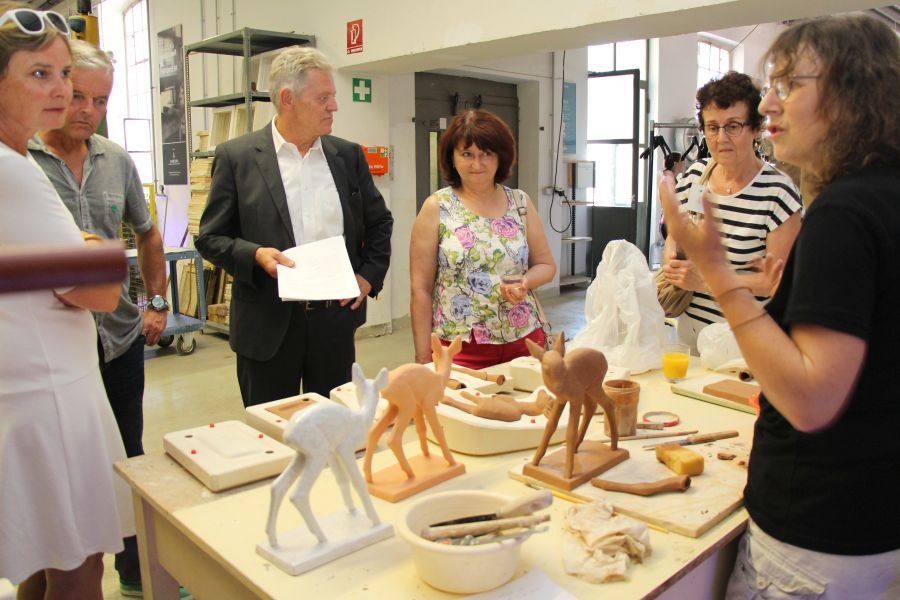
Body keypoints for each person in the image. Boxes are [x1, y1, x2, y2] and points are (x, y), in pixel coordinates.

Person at [659, 15, 900, 599]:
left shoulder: (843, 212)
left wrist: (719, 276)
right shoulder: (885, 195)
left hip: (815, 529)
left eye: (788, 85)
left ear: (851, 93)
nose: (769, 104)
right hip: (872, 511)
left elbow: (812, 400)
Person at [28, 39, 173, 598]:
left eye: (101, 100)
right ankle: (47, 568)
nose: (87, 110)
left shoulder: (115, 159)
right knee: (56, 470)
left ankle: (136, 571)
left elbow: (148, 232)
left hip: (117, 340)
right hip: (50, 349)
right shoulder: (19, 160)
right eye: (79, 96)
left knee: (128, 454)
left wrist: (156, 304)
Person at [0, 3, 133, 597]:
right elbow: (102, 287)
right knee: (78, 566)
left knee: (39, 554)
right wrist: (94, 248)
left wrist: (82, 250)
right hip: (50, 395)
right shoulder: (14, 172)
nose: (60, 91)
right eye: (39, 74)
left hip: (32, 387)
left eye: (62, 74)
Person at [196, 46, 393, 407]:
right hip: (266, 326)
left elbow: (380, 222)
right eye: (323, 98)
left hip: (334, 324)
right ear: (288, 99)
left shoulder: (347, 156)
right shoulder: (237, 158)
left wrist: (368, 276)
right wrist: (255, 254)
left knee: (334, 426)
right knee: (274, 428)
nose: (334, 106)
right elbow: (210, 237)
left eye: (333, 97)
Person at [662, 71, 802, 352]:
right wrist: (674, 263)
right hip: (692, 334)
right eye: (712, 127)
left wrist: (708, 281)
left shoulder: (778, 193)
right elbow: (675, 239)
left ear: (756, 129)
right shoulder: (695, 177)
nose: (721, 138)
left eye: (733, 126)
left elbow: (777, 282)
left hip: (746, 342)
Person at [410, 109, 556, 369]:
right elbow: (420, 289)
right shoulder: (437, 207)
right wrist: (423, 358)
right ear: (452, 157)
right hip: (459, 347)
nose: (476, 164)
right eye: (467, 154)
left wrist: (524, 282)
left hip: (524, 340)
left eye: (486, 154)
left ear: (501, 157)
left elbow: (546, 265)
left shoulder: (520, 203)